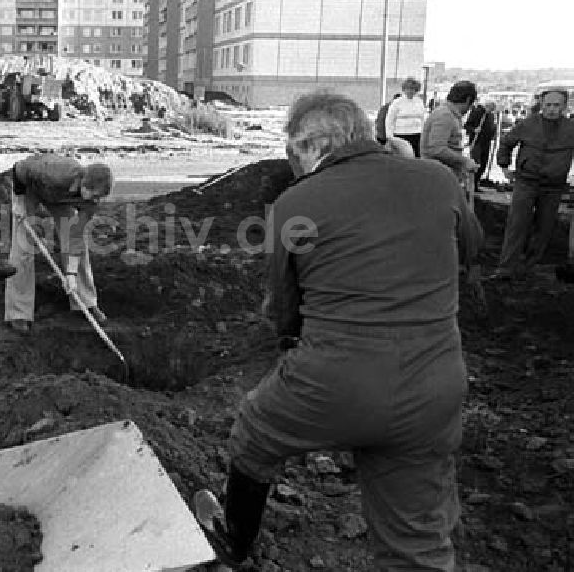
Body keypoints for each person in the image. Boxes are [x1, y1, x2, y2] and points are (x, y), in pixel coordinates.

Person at [195, 91, 483, 570]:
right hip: (434, 386)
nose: (293, 166)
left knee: (254, 433)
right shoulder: (437, 179)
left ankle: (234, 544)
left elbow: (285, 311)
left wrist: (293, 343)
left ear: (312, 147)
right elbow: (472, 248)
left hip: (335, 380)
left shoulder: (295, 204)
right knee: (415, 542)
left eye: (293, 154)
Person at [5, 155, 112, 332]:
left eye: (98, 198)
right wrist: (18, 202)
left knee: (78, 245)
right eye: (93, 195)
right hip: (29, 187)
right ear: (84, 184)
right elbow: (19, 170)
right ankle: (18, 313)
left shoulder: (91, 201)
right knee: (22, 248)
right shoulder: (55, 172)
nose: (94, 201)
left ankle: (85, 303)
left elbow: (75, 238)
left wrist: (70, 274)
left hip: (61, 198)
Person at [488, 88, 574, 281]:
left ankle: (528, 268)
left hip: (554, 186)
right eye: (548, 105)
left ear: (564, 106)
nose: (552, 109)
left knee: (544, 228)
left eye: (556, 105)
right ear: (542, 105)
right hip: (526, 182)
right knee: (516, 225)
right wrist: (504, 166)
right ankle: (506, 268)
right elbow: (507, 142)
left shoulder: (571, 129)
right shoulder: (528, 124)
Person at [421, 80, 479, 180]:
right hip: (438, 176)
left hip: (446, 174)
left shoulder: (451, 115)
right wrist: (464, 161)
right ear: (468, 100)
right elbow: (437, 149)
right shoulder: (445, 115)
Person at [385, 77, 426, 157]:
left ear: (416, 90)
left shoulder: (419, 102)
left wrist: (423, 133)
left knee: (416, 157)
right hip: (401, 135)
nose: (410, 91)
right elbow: (389, 120)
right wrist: (389, 136)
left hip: (417, 134)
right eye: (408, 89)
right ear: (404, 89)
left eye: (413, 89)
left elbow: (423, 119)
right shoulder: (397, 102)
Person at [468, 100, 498, 188]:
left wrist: (493, 133)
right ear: (487, 106)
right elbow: (467, 125)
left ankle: (476, 184)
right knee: (476, 163)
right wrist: (474, 130)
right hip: (476, 142)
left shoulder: (490, 116)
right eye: (491, 109)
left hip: (486, 143)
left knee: (483, 164)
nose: (491, 111)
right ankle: (471, 185)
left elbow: (490, 128)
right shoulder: (477, 112)